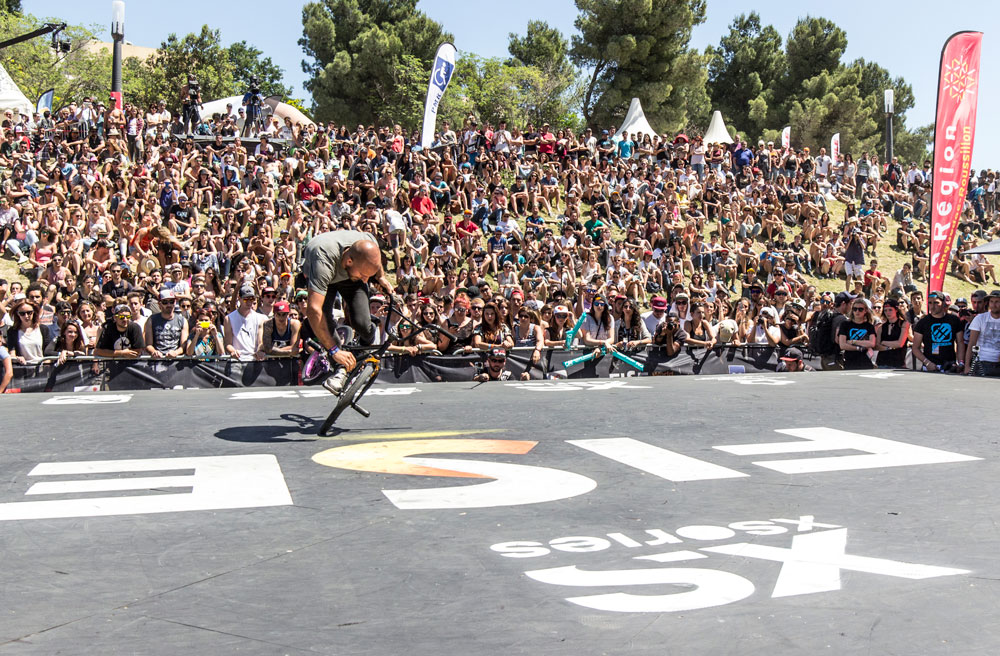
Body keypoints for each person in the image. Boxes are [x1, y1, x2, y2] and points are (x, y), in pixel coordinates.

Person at [301, 230, 394, 394]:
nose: (366, 280)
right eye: (364, 275)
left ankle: (366, 341)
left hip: (351, 275)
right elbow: (313, 310)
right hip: (324, 277)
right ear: (349, 260)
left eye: (368, 276)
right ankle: (340, 370)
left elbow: (375, 261)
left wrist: (380, 277)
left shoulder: (368, 241)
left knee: (362, 322)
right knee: (324, 318)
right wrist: (334, 350)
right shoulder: (323, 261)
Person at [912, 290, 964, 372]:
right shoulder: (923, 322)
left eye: (936, 303)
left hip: (949, 366)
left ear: (943, 303)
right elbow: (915, 348)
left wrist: (961, 362)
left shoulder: (954, 320)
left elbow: (960, 342)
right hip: (930, 366)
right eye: (930, 303)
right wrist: (927, 363)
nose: (932, 306)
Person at [224, 285, 266, 361]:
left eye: (252, 299)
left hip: (254, 360)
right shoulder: (229, 318)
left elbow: (261, 341)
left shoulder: (261, 318)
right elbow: (228, 344)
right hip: (237, 361)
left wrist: (260, 350)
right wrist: (233, 351)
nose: (249, 302)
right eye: (246, 299)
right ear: (239, 299)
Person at [964, 290, 1000, 376]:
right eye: (991, 301)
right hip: (981, 361)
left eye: (997, 302)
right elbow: (972, 343)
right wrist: (967, 366)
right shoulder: (980, 318)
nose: (993, 305)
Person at [144, 290, 188, 359]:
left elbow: (183, 345)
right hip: (157, 359)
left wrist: (176, 352)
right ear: (159, 304)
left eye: (171, 302)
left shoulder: (182, 320)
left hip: (176, 359)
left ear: (175, 302)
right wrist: (154, 352)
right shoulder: (151, 320)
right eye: (165, 302)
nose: (169, 305)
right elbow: (148, 345)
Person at [837, 298, 876, 370]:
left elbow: (872, 343)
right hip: (850, 361)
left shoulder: (869, 326)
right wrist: (859, 348)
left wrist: (853, 342)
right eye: (855, 309)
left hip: (866, 361)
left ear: (865, 311)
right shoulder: (845, 324)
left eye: (860, 309)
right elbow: (842, 345)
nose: (857, 311)